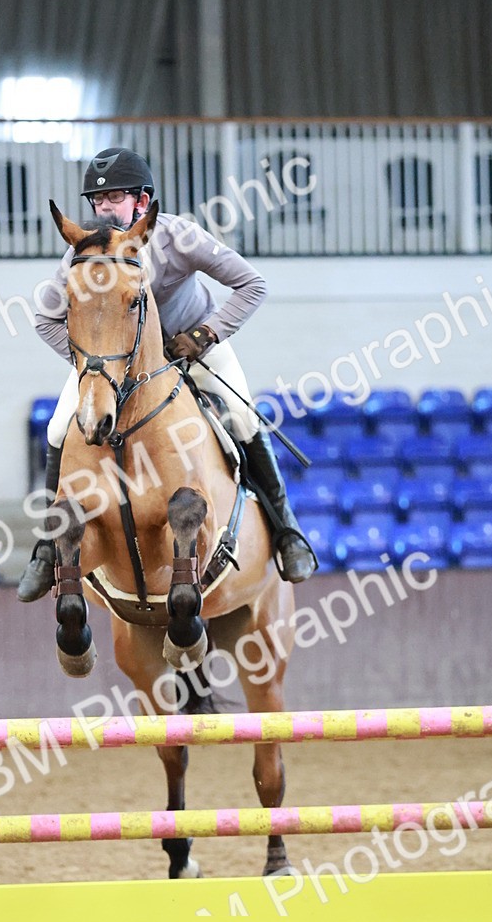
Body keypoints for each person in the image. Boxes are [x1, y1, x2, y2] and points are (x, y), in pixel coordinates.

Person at [17, 147, 316, 601]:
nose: (103, 209)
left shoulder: (180, 237)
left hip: (193, 349)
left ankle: (286, 529)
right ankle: (45, 547)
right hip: (116, 367)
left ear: (142, 201)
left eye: (114, 198)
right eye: (97, 201)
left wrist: (206, 333)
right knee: (60, 428)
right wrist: (94, 366)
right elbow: (45, 320)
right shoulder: (83, 255)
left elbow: (253, 284)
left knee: (242, 416)